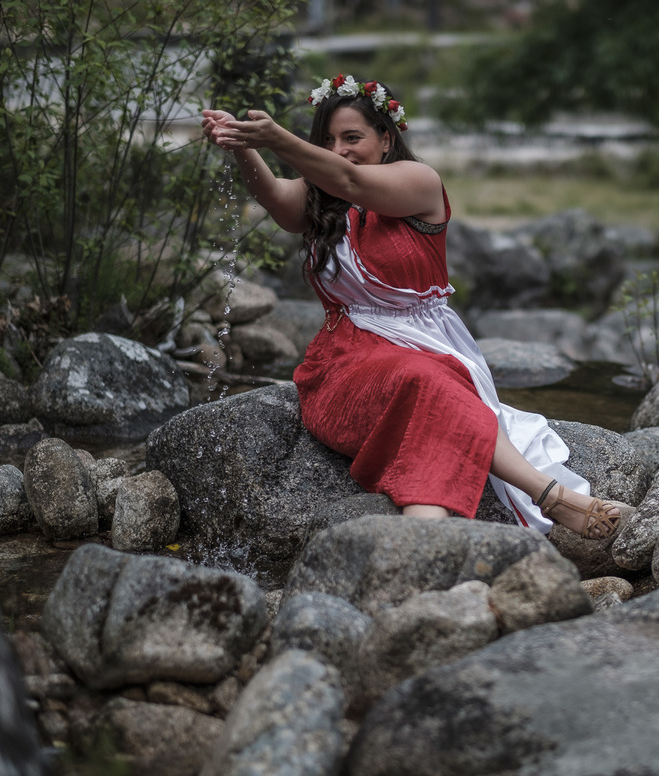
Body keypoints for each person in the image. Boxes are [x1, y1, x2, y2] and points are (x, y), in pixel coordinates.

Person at [201, 74, 621, 538]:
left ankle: (421, 540)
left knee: (433, 389)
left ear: (386, 138)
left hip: (429, 343)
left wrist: (279, 137)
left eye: (352, 137)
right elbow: (279, 201)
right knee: (427, 382)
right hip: (343, 362)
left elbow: (351, 179)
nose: (339, 149)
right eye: (327, 140)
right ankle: (550, 495)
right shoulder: (321, 193)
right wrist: (241, 143)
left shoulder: (419, 182)